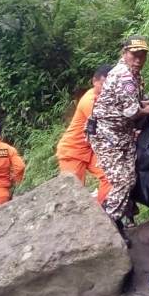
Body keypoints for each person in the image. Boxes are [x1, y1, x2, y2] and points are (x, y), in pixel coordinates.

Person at [89, 35, 149, 241]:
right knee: (121, 182)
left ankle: (117, 219)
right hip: (107, 136)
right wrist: (148, 110)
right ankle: (109, 226)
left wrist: (144, 106)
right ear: (124, 53)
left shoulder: (134, 74)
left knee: (130, 178)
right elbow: (131, 111)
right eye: (134, 54)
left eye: (142, 54)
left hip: (122, 134)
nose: (138, 58)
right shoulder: (124, 76)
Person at [56, 64, 112, 204]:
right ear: (95, 81)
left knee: (110, 176)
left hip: (90, 149)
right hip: (72, 151)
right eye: (104, 84)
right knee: (73, 193)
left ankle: (104, 213)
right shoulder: (89, 101)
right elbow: (106, 126)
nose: (108, 88)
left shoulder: (106, 99)